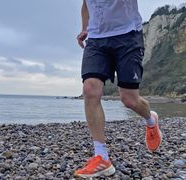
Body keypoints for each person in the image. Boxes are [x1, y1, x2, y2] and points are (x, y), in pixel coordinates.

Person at [74, 0, 163, 178]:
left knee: (129, 99)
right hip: (96, 39)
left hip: (128, 35)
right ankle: (101, 157)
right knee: (90, 89)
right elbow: (85, 3)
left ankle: (150, 119)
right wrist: (85, 28)